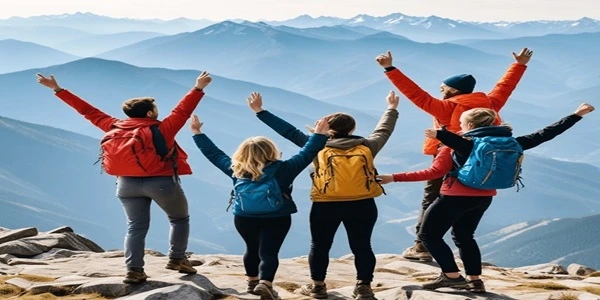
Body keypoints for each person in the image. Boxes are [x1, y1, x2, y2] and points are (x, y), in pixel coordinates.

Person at [377, 103, 595, 293]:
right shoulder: (512, 142)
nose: (461, 127)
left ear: (470, 126)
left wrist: (393, 177)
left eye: (463, 124)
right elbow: (546, 133)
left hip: (453, 197)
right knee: (464, 236)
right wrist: (576, 115)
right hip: (483, 198)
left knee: (428, 236)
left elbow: (433, 173)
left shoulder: (462, 144)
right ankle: (475, 281)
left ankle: (452, 277)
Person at [36, 72, 213, 284]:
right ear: (149, 113)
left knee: (135, 227)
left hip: (126, 184)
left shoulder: (113, 126)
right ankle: (177, 259)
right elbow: (182, 111)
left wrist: (58, 89)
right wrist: (198, 88)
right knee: (179, 219)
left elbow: (87, 111)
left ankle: (134, 270)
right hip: (161, 182)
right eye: (155, 110)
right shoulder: (162, 129)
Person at [375, 48, 533, 261]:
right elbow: (505, 86)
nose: (440, 90)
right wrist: (519, 65)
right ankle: (461, 247)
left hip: (449, 155)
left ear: (453, 90)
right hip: (480, 159)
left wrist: (389, 68)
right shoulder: (490, 103)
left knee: (431, 197)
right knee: (470, 200)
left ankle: (421, 246)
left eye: (443, 87)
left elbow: (415, 94)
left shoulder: (445, 107)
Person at [248, 91, 400, 300]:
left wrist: (260, 111)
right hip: (362, 203)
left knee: (319, 245)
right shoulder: (367, 145)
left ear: (328, 129)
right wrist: (391, 108)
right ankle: (364, 287)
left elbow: (289, 132)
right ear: (352, 129)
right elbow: (384, 129)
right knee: (363, 245)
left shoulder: (317, 146)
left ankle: (318, 286)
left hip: (325, 204)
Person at [191, 94, 330, 300]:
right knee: (269, 252)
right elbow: (308, 152)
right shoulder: (284, 169)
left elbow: (213, 153)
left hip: (245, 216)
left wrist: (197, 132)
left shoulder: (235, 169)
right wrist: (319, 134)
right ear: (271, 151)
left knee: (251, 248)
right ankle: (266, 283)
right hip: (277, 215)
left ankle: (252, 283)